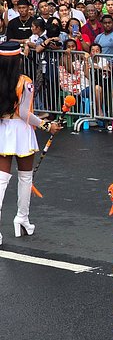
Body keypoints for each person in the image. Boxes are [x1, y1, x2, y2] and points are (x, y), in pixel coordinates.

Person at [0, 42, 61, 244]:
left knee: (1, 180)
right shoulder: (25, 81)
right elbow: (24, 113)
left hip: (3, 130)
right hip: (22, 131)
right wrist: (46, 125)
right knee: (25, 178)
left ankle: (20, 221)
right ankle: (22, 218)